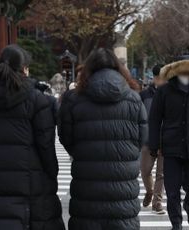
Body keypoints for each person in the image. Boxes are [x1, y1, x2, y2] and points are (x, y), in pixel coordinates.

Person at [58, 48, 148, 230]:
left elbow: (66, 137)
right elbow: (141, 137)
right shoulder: (133, 98)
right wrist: (126, 154)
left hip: (87, 182)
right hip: (123, 183)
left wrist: (83, 153)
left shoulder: (73, 99)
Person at [0, 45, 65, 230]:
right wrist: (51, 176)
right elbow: (46, 149)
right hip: (28, 185)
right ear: (25, 69)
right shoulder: (36, 100)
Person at [149, 58, 189, 230]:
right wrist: (154, 145)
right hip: (171, 147)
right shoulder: (164, 91)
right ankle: (176, 224)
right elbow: (155, 119)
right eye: (184, 72)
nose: (187, 76)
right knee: (172, 191)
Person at [140, 64, 166, 214]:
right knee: (145, 170)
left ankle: (157, 202)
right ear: (155, 78)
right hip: (148, 139)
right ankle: (149, 191)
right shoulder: (144, 95)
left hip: (165, 139)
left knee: (161, 174)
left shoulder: (170, 95)